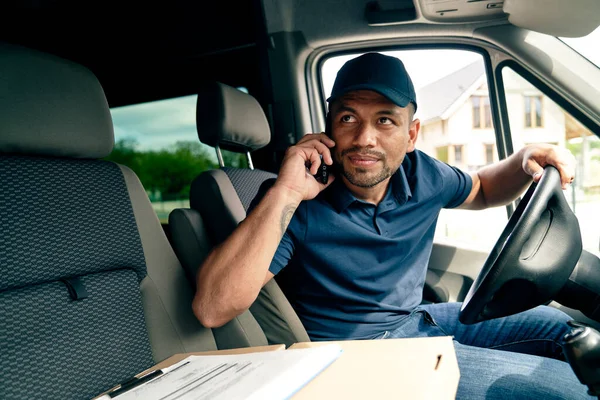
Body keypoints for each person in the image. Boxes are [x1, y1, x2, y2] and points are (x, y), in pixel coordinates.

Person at [193, 52, 591, 398]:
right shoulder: (292, 199)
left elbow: (484, 188)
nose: (365, 138)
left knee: (563, 331)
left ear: (411, 134)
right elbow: (212, 308)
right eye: (348, 117)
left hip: (417, 319)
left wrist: (524, 157)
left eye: (385, 120)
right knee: (568, 390)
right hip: (359, 358)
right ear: (329, 127)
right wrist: (285, 193)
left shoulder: (423, 176)